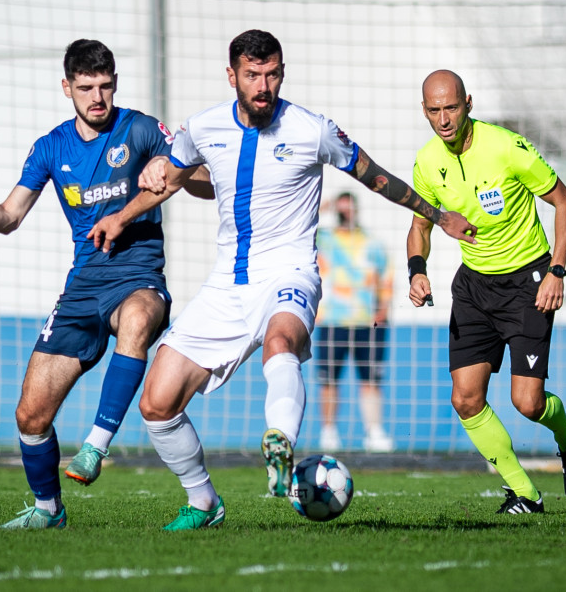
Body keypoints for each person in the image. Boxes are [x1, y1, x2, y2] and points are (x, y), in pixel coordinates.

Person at [89, 30, 477, 530]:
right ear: (232, 76)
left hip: (290, 273)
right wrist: (122, 215)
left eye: (272, 74)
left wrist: (437, 216)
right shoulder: (202, 128)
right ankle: (203, 502)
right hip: (226, 283)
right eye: (252, 75)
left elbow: (376, 176)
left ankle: (280, 443)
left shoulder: (313, 129)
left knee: (280, 341)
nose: (263, 85)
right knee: (156, 404)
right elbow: (176, 180)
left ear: (282, 73)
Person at [0, 39, 211, 530]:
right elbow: (9, 217)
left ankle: (96, 446)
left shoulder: (142, 129)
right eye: (86, 87)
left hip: (138, 277)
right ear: (66, 87)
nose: (97, 97)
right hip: (82, 286)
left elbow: (206, 183)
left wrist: (175, 169)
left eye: (105, 86)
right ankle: (48, 510)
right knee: (30, 416)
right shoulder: (51, 147)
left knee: (137, 319)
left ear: (115, 84)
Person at [407, 69, 566, 514]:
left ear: (468, 104)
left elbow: (565, 203)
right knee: (465, 398)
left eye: (452, 108)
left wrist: (557, 271)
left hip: (528, 283)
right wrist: (417, 270)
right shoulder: (427, 162)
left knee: (527, 403)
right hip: (474, 288)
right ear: (424, 111)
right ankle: (525, 494)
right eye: (435, 110)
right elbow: (420, 226)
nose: (444, 119)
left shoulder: (507, 148)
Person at [314, 192, 395, 453]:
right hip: (332, 321)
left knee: (371, 380)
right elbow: (298, 226)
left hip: (367, 322)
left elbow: (386, 278)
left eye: (349, 209)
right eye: (341, 210)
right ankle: (328, 433)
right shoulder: (323, 240)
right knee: (329, 381)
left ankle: (374, 431)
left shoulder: (372, 243)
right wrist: (323, 207)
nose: (345, 214)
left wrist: (383, 310)